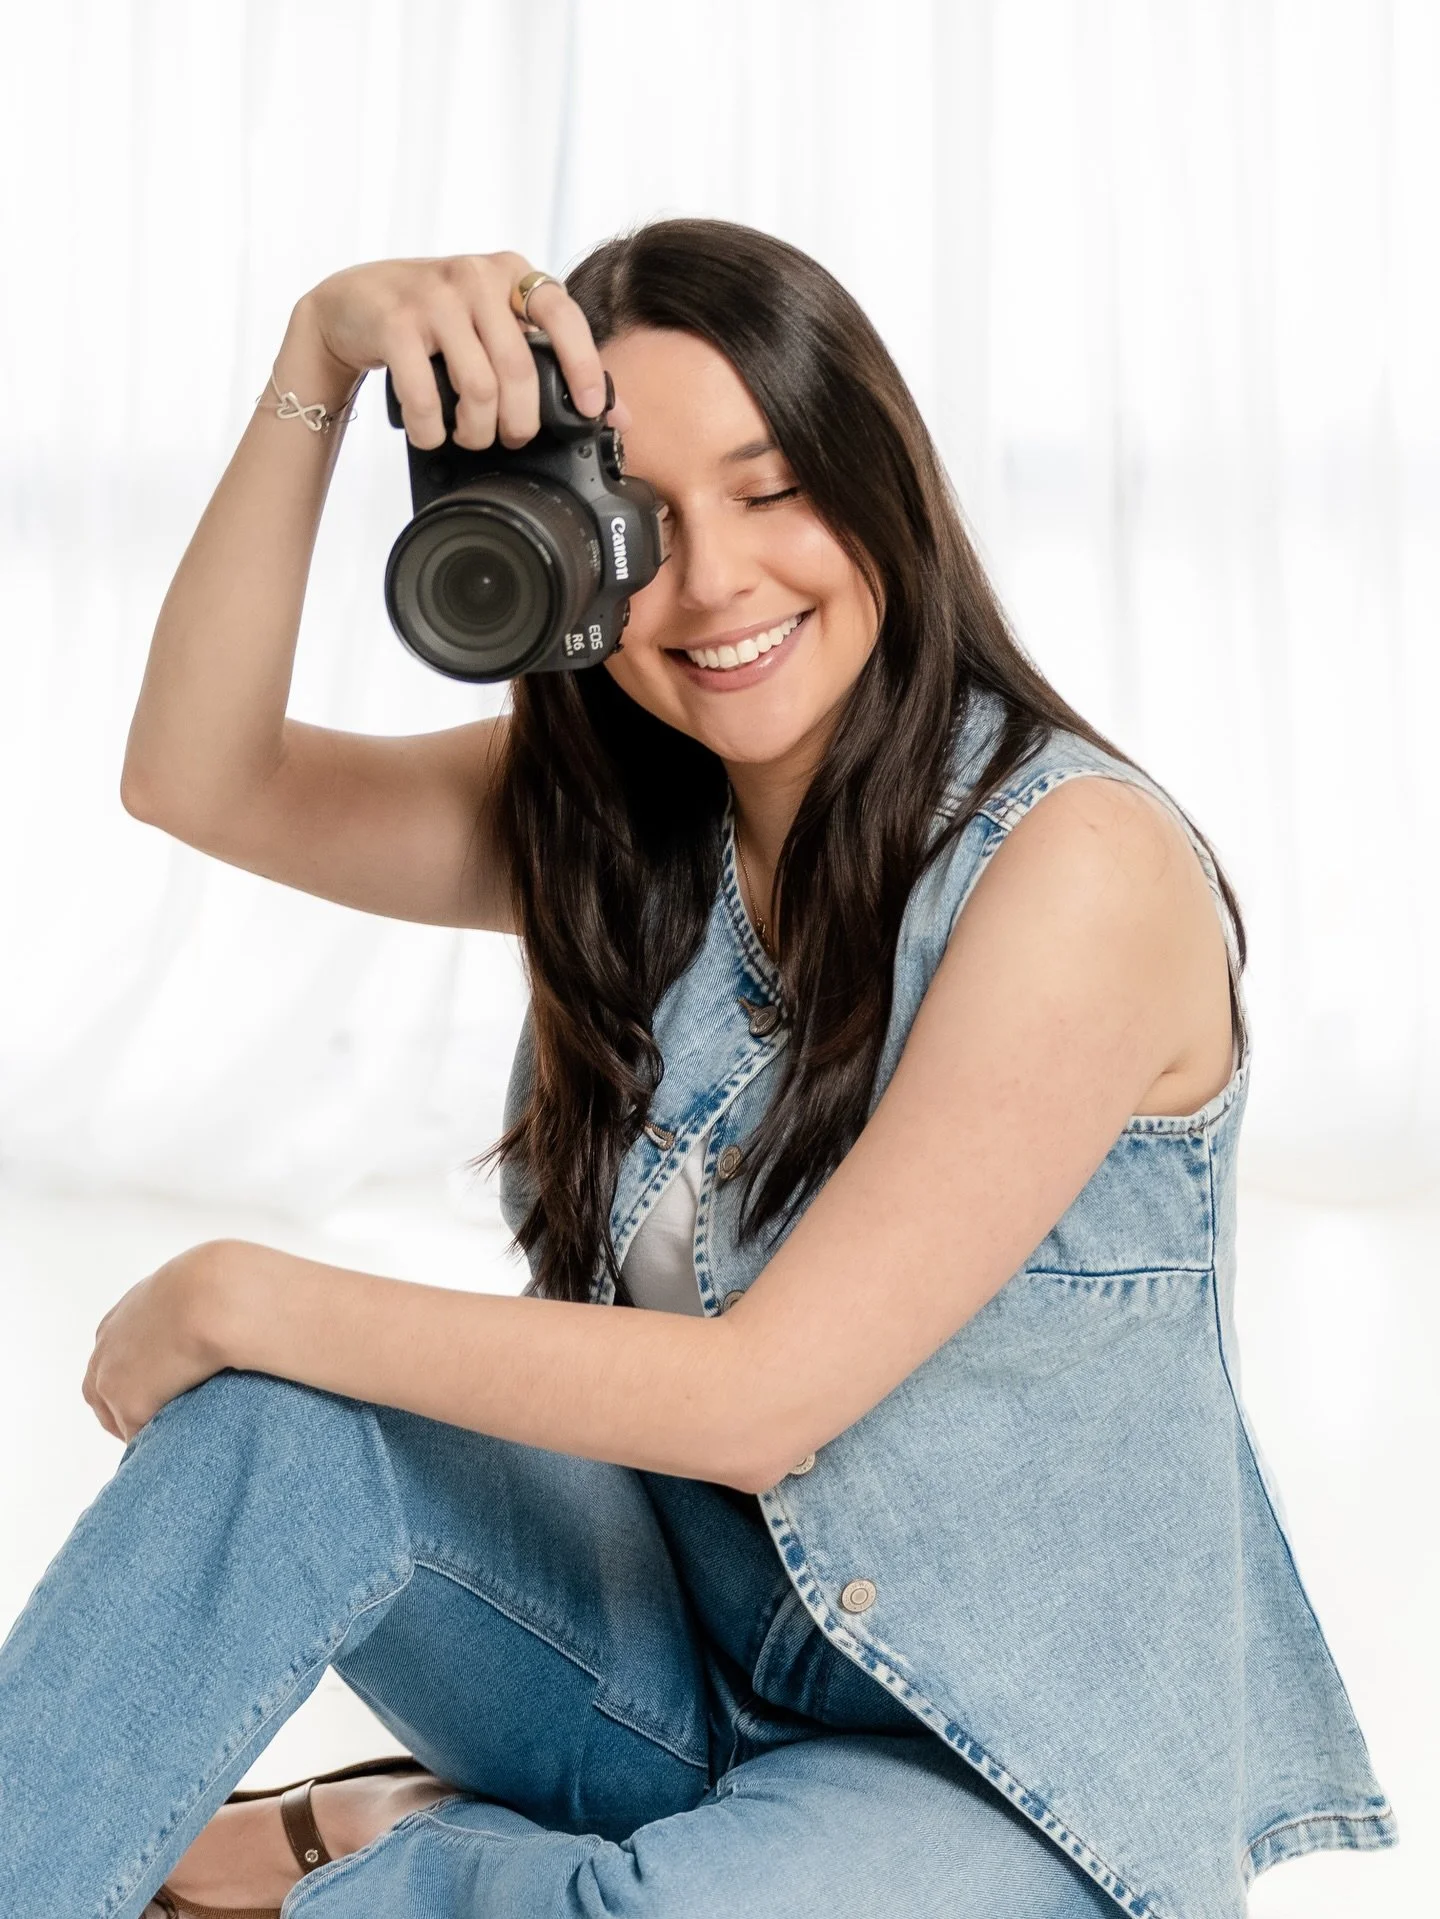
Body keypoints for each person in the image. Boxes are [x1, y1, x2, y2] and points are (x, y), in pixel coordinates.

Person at [0, 219, 1396, 1919]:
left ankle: (391, 1850)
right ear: (566, 552)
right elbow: (196, 776)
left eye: (771, 486)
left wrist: (241, 1289)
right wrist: (319, 360)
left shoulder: (1072, 866)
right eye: (643, 525)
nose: (717, 582)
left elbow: (762, 1397)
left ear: (879, 483)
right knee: (269, 1436)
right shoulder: (627, 830)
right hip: (686, 1672)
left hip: (1003, 1780)